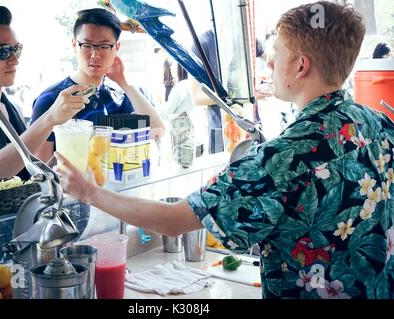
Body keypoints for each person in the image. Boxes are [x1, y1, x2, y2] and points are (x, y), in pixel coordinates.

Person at [55, 1, 394, 299]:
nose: (270, 65)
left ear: (300, 66)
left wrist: (88, 192)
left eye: (276, 56)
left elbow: (175, 222)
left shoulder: (283, 159)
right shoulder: (381, 124)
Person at [0, 6, 86, 188]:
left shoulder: (12, 108)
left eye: (16, 49)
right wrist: (50, 118)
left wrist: (58, 165)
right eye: (3, 51)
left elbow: (21, 171)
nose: (15, 60)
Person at [30, 8, 166, 163]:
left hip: (115, 186)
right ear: (74, 45)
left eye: (104, 46)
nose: (95, 54)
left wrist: (125, 83)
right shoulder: (52, 99)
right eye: (87, 45)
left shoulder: (119, 96)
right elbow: (41, 170)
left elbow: (158, 130)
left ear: (116, 48)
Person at [189, 29, 225, 154]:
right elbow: (197, 97)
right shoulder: (203, 43)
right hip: (220, 127)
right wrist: (239, 95)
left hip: (254, 124)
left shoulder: (246, 34)